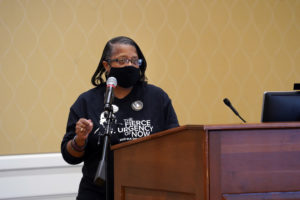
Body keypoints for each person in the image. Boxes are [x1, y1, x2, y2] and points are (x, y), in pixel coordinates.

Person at [61, 36, 179, 200]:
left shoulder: (157, 98)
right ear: (107, 65)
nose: (129, 65)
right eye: (122, 60)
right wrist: (79, 140)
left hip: (147, 193)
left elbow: (176, 143)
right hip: (97, 194)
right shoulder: (87, 102)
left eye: (134, 61)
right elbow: (69, 156)